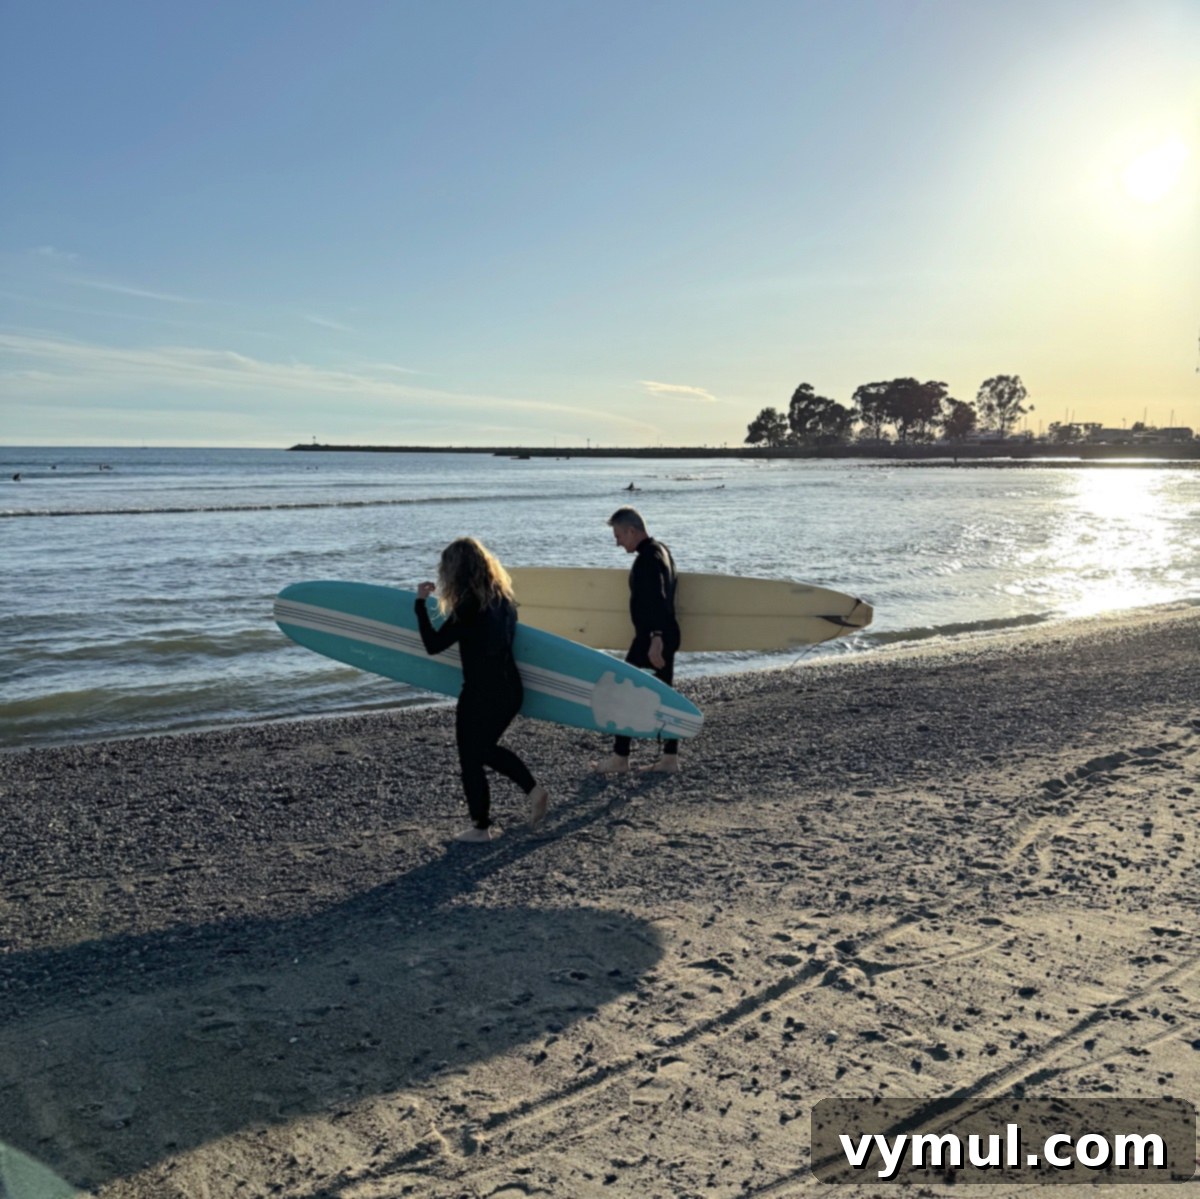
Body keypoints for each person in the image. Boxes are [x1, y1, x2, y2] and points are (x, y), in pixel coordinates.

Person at [415, 537, 549, 842]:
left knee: (471, 755)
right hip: (511, 689)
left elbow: (434, 644)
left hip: (481, 692)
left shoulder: (468, 606)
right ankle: (531, 792)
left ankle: (482, 826)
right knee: (483, 750)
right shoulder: (504, 601)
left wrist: (420, 604)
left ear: (456, 571)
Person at [594, 506, 681, 775]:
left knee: (623, 694)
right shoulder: (661, 550)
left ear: (632, 530)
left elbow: (658, 595)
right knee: (665, 697)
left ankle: (621, 758)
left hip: (652, 639)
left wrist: (655, 638)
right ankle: (669, 758)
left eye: (619, 535)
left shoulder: (648, 559)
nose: (617, 541)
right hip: (663, 635)